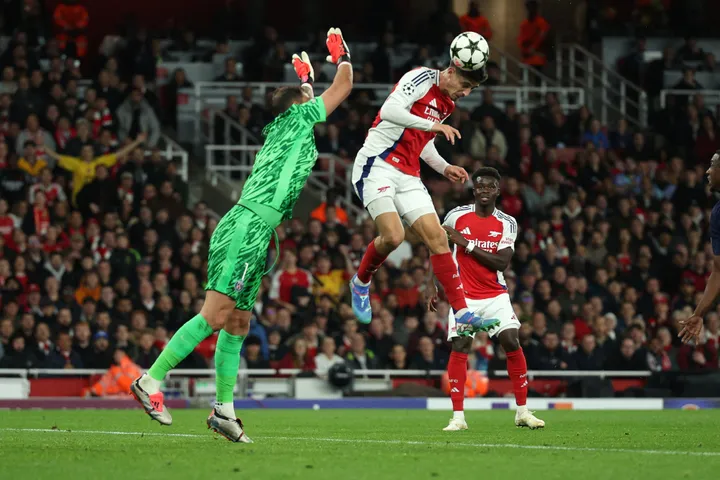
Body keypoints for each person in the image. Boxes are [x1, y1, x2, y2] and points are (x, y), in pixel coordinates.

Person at [130, 28, 353, 443]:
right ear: (300, 106)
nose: (313, 102)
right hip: (247, 227)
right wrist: (339, 54)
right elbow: (346, 85)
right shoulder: (298, 118)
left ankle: (224, 411)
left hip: (256, 229)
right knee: (215, 315)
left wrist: (305, 80)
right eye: (308, 98)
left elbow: (302, 97)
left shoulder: (284, 125)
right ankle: (149, 381)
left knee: (238, 322)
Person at [348, 54, 497, 337]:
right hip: (376, 164)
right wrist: (433, 126)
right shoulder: (420, 78)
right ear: (451, 71)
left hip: (409, 173)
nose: (465, 93)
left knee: (438, 238)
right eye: (464, 85)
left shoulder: (448, 103)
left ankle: (462, 312)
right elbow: (390, 110)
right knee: (393, 236)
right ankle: (361, 281)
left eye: (471, 90)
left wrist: (444, 167)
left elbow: (423, 142)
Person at [429, 166, 544, 431]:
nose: (484, 190)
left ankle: (523, 411)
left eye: (489, 186)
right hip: (463, 295)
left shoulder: (507, 222)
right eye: (479, 186)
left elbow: (502, 262)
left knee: (511, 340)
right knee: (460, 346)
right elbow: (438, 247)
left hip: (495, 294)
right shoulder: (456, 216)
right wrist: (431, 283)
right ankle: (458, 417)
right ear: (474, 189)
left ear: (498, 191)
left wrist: (466, 244)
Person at [680, 149, 720, 343]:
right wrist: (699, 313)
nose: (707, 171)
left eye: (713, 165)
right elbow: (719, 271)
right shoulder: (718, 214)